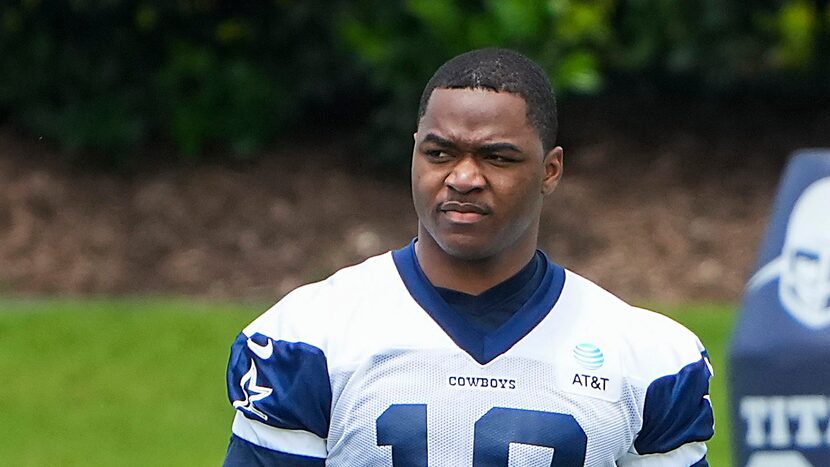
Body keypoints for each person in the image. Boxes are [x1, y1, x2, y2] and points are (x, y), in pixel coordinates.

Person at [222, 48, 714, 466]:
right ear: (414, 152)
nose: (463, 178)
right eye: (440, 154)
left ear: (550, 169)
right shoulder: (309, 338)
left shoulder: (648, 359)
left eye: (497, 157)